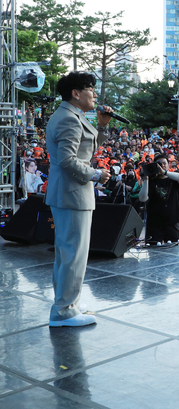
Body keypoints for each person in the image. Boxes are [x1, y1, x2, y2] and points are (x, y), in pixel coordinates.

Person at [45, 71, 112, 327]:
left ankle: (67, 303)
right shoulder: (69, 120)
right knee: (74, 254)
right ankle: (63, 312)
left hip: (68, 192)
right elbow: (67, 159)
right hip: (72, 193)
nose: (94, 94)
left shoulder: (70, 116)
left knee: (67, 254)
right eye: (90, 89)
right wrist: (96, 174)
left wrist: (102, 126)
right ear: (76, 93)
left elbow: (86, 148)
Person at [139, 154, 179, 243]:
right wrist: (146, 179)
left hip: (171, 221)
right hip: (154, 222)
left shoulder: (173, 179)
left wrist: (165, 172)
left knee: (174, 250)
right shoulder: (152, 181)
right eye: (159, 164)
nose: (162, 166)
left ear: (168, 165)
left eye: (164, 163)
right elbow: (142, 198)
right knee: (154, 250)